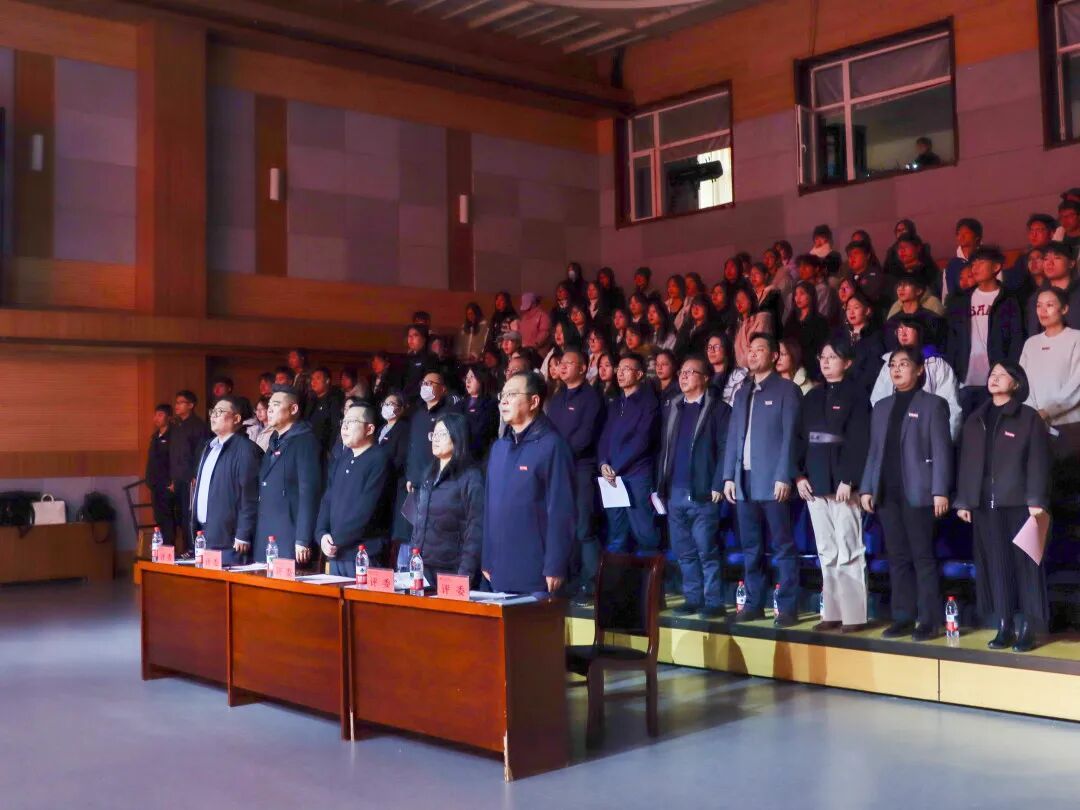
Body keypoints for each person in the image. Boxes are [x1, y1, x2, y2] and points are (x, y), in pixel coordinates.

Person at [955, 364, 1050, 652]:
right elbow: (967, 463)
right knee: (996, 566)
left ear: (1016, 383)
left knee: (1026, 567)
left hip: (1021, 504)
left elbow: (1038, 461)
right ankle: (1004, 624)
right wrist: (964, 500)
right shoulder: (975, 418)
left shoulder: (1028, 417)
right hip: (985, 505)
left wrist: (1036, 500)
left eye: (1001, 375)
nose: (994, 379)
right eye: (992, 375)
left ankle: (1028, 628)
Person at [860, 348, 953, 641]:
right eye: (893, 365)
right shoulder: (881, 407)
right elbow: (874, 451)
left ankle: (929, 620)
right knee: (897, 557)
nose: (897, 369)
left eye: (903, 364)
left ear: (919, 369)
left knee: (922, 557)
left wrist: (940, 490)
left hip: (919, 491)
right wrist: (867, 487)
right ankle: (903, 616)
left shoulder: (933, 404)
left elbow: (942, 450)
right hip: (887, 493)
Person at [722, 333, 803, 626]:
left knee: (783, 546)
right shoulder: (742, 392)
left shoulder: (787, 390)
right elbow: (733, 437)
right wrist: (728, 476)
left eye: (760, 349)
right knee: (750, 547)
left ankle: (788, 607)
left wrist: (784, 475)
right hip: (744, 481)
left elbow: (791, 437)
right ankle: (754, 603)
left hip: (773, 481)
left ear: (774, 356)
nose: (753, 354)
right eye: (750, 349)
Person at [795, 340, 870, 632]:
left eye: (833, 357)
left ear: (847, 362)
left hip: (843, 485)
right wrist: (798, 475)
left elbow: (861, 440)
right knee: (826, 550)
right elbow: (799, 439)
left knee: (849, 548)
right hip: (814, 483)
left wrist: (849, 478)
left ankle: (854, 615)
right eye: (822, 356)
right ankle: (832, 612)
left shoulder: (857, 395)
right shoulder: (812, 396)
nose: (825, 362)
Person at [483, 371, 575, 594]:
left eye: (512, 394)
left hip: (537, 569)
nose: (504, 401)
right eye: (502, 395)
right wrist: (486, 558)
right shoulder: (498, 448)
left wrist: (555, 564)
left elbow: (562, 511)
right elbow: (488, 508)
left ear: (534, 401)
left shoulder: (552, 445)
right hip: (499, 567)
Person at [656, 354, 731, 617]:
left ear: (705, 378)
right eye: (682, 372)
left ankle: (713, 601)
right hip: (675, 490)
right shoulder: (673, 407)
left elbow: (725, 449)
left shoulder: (718, 409)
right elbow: (664, 448)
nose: (684, 377)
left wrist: (719, 482)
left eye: (691, 372)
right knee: (683, 551)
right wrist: (661, 485)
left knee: (706, 550)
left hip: (703, 490)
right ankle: (693, 598)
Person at [548, 348, 606, 602]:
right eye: (561, 363)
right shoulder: (557, 398)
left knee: (584, 527)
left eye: (568, 363)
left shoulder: (591, 398)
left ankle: (592, 583)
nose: (562, 367)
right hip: (559, 470)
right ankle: (569, 580)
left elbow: (586, 436)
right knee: (564, 526)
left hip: (581, 468)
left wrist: (559, 455)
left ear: (582, 368)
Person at [946, 246, 1024, 417]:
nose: (975, 267)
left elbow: (1016, 338)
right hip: (964, 378)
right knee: (966, 426)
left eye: (981, 263)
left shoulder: (1009, 299)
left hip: (998, 377)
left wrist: (1010, 370)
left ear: (996, 267)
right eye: (973, 263)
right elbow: (952, 339)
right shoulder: (960, 300)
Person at [316, 404, 392, 575]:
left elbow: (366, 510)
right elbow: (327, 500)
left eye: (351, 421)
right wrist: (321, 534)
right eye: (344, 422)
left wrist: (335, 539)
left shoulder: (379, 459)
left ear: (369, 429)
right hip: (336, 552)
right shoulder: (342, 459)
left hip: (364, 554)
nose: (345, 427)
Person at [598, 353, 661, 555]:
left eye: (626, 369)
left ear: (639, 374)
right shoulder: (615, 403)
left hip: (636, 475)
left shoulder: (649, 403)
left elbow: (642, 440)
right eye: (619, 369)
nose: (620, 373)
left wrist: (615, 466)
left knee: (644, 533)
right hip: (612, 477)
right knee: (616, 534)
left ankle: (653, 573)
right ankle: (618, 575)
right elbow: (605, 437)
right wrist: (603, 463)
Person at [253, 385, 323, 565]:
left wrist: (303, 538)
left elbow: (309, 493)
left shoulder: (305, 441)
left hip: (289, 533)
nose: (270, 409)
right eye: (269, 405)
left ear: (293, 409)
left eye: (276, 405)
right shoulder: (275, 440)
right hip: (267, 530)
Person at [190, 396, 262, 566]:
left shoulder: (246, 450)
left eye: (220, 411)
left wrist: (243, 533)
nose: (213, 416)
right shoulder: (209, 446)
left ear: (236, 418)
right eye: (212, 412)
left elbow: (250, 495)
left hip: (231, 539)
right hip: (205, 532)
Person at [871, 318, 963, 439]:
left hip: (926, 436)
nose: (903, 333)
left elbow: (950, 407)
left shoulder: (936, 364)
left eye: (908, 328)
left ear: (920, 331)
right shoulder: (890, 362)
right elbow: (878, 400)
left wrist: (943, 440)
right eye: (900, 329)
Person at [1020, 287, 1080, 458]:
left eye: (1050, 305)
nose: (1043, 311)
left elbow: (1076, 384)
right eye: (1039, 306)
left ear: (1064, 309)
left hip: (1069, 424)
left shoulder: (1076, 338)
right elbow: (1022, 383)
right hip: (1034, 424)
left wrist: (1047, 411)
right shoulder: (1031, 343)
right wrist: (1032, 413)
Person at [169, 389, 211, 554]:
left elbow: (200, 452)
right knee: (179, 515)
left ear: (191, 405)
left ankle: (193, 549)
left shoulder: (199, 426)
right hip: (178, 477)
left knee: (190, 515)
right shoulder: (176, 425)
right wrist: (172, 478)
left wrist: (195, 474)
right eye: (176, 402)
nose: (177, 406)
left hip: (191, 478)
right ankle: (185, 548)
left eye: (181, 402)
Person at [405, 371, 459, 497]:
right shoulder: (417, 414)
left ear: (443, 389)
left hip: (438, 481)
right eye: (423, 383)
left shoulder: (449, 414)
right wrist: (410, 476)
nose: (425, 386)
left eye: (429, 383)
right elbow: (412, 447)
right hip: (416, 481)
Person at [1024, 241, 1080, 335]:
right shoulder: (1036, 298)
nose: (1049, 263)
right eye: (1046, 259)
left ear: (1071, 263)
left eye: (1056, 258)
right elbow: (1034, 335)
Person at [841, 292, 887, 397]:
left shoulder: (875, 337)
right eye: (848, 308)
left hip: (862, 391)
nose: (851, 312)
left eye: (856, 308)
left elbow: (873, 369)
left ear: (867, 311)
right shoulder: (841, 336)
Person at [884, 274, 946, 351]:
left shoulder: (932, 319)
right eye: (899, 285)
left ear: (919, 291)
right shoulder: (893, 321)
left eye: (907, 284)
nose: (901, 289)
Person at [783, 281, 829, 379]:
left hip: (810, 367)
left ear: (811, 296)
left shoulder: (820, 321)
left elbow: (821, 348)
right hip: (791, 364)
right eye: (796, 294)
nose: (798, 298)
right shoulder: (791, 319)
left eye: (802, 293)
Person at [145, 403, 176, 545]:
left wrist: (173, 480)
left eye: (160, 415)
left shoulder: (174, 436)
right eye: (155, 415)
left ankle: (169, 547)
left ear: (169, 417)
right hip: (155, 484)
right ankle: (162, 547)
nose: (156, 418)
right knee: (158, 517)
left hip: (167, 484)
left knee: (168, 517)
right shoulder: (155, 437)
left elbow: (175, 460)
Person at [462, 366, 498, 462]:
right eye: (466, 377)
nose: (468, 381)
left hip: (483, 455)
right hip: (463, 454)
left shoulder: (491, 404)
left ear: (481, 378)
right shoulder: (461, 404)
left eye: (472, 377)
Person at [307, 366, 344, 460]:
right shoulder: (311, 400)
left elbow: (335, 427)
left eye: (318, 378)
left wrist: (330, 450)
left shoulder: (334, 401)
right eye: (312, 379)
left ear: (327, 381)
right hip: (309, 446)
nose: (313, 382)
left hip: (324, 451)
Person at [844, 239, 894, 306]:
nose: (852, 258)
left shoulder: (875, 276)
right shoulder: (848, 275)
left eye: (856, 253)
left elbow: (869, 299)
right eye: (849, 255)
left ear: (867, 255)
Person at [942, 218, 983, 299]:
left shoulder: (987, 259)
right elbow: (946, 294)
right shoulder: (952, 265)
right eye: (958, 233)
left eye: (966, 233)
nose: (961, 236)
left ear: (977, 236)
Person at [732, 287, 772, 368]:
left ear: (751, 300)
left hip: (757, 367)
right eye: (737, 300)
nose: (739, 303)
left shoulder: (762, 318)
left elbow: (760, 346)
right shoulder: (733, 326)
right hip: (737, 369)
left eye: (742, 298)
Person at [705, 331, 747, 405]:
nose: (712, 350)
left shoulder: (738, 376)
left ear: (726, 349)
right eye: (709, 347)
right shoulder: (704, 376)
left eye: (716, 347)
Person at [402, 325, 437, 403]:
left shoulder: (430, 358)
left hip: (421, 401)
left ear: (424, 339)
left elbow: (429, 383)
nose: (411, 339)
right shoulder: (407, 358)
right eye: (409, 336)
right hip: (405, 399)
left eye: (415, 335)